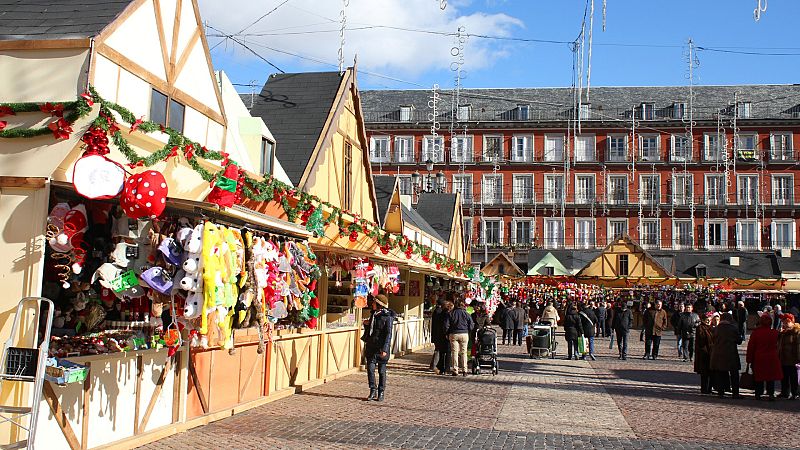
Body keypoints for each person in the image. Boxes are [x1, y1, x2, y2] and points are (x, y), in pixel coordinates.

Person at [362, 294, 395, 401]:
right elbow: (373, 330)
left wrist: (385, 349)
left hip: (381, 348)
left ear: (379, 304)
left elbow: (388, 334)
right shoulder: (374, 315)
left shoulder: (387, 317)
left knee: (381, 371)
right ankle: (372, 390)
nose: (372, 304)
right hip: (371, 346)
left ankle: (381, 391)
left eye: (374, 303)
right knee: (370, 370)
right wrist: (367, 324)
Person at [746, 313, 782, 401]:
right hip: (772, 357)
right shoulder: (775, 333)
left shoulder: (756, 333)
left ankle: (758, 393)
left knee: (758, 376)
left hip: (759, 357)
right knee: (770, 377)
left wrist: (749, 359)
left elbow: (751, 347)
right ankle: (770, 394)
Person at [710, 313, 742, 399]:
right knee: (734, 374)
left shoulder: (716, 329)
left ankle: (721, 392)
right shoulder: (733, 328)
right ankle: (735, 393)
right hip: (731, 353)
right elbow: (739, 341)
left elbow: (712, 339)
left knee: (720, 373)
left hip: (718, 353)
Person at [444, 298, 473, 376]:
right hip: (464, 334)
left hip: (454, 334)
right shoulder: (466, 314)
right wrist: (468, 331)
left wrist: (447, 333)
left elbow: (446, 325)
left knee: (454, 352)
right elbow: (471, 325)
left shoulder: (451, 313)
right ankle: (464, 370)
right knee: (464, 352)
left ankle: (455, 370)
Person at [777, 313, 800, 399]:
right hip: (783, 358)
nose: (785, 324)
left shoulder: (796, 332)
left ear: (792, 322)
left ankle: (795, 393)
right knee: (784, 376)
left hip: (792, 358)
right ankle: (784, 392)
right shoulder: (783, 332)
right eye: (784, 322)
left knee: (793, 377)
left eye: (787, 322)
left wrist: (798, 357)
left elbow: (798, 346)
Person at [694, 313, 715, 394]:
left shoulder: (710, 328)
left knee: (711, 372)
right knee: (704, 373)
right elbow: (702, 339)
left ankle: (709, 388)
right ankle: (704, 389)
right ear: (703, 320)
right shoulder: (700, 328)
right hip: (704, 353)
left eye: (709, 320)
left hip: (711, 353)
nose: (708, 321)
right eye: (707, 320)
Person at [430, 298, 450, 375]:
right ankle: (434, 366)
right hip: (439, 334)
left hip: (436, 333)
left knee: (437, 349)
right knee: (438, 350)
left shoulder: (437, 311)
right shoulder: (440, 312)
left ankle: (433, 365)